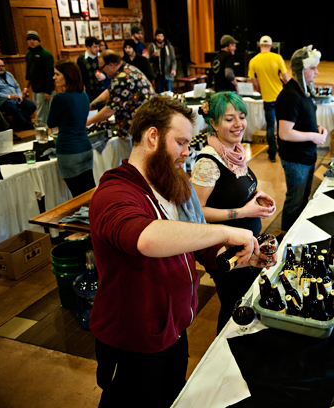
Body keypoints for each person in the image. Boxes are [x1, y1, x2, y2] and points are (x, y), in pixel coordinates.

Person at [89, 95, 270, 407]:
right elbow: (146, 238)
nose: (188, 152)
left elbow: (199, 248)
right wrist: (228, 228)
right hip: (135, 337)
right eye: (181, 142)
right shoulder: (114, 192)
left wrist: (243, 259)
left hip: (173, 327)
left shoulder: (172, 183)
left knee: (173, 395)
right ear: (153, 136)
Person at [191, 92, 276, 332]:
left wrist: (259, 195)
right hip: (226, 250)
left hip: (247, 243)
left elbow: (241, 186)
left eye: (241, 116)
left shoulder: (235, 151)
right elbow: (199, 214)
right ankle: (222, 356)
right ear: (214, 124)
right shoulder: (208, 163)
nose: (238, 124)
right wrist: (243, 211)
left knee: (245, 298)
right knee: (233, 305)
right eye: (229, 119)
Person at [276, 45, 328, 231]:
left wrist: (317, 128)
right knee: (295, 202)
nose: (317, 72)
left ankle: (296, 234)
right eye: (312, 68)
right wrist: (314, 135)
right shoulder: (290, 95)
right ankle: (285, 240)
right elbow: (285, 132)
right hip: (295, 159)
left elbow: (301, 121)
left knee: (302, 200)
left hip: (306, 155)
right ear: (300, 70)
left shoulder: (304, 90)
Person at [47, 60, 95, 197]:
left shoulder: (60, 98)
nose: (54, 77)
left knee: (79, 198)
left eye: (57, 74)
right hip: (85, 147)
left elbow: (50, 123)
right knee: (89, 194)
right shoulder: (83, 95)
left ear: (67, 75)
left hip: (69, 150)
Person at [86, 50, 154, 136]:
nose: (103, 71)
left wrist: (89, 121)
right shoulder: (128, 69)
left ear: (111, 65)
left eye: (102, 68)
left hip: (139, 128)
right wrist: (89, 107)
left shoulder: (121, 80)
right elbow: (109, 91)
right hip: (146, 122)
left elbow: (109, 111)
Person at [248, 35, 289, 162]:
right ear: (271, 46)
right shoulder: (277, 58)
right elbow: (286, 79)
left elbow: (254, 83)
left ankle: (272, 153)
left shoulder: (253, 61)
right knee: (283, 125)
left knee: (270, 126)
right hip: (280, 98)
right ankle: (284, 151)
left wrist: (263, 91)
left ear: (259, 45)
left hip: (267, 99)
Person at [25, 30, 54, 125]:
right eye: (29, 39)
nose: (31, 41)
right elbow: (29, 73)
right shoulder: (29, 55)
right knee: (39, 109)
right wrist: (26, 88)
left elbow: (50, 74)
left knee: (42, 113)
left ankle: (43, 133)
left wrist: (48, 91)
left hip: (44, 89)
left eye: (34, 39)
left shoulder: (46, 54)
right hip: (35, 89)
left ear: (38, 41)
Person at [0, 58, 36, 130]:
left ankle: (15, 124)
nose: (1, 68)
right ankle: (25, 124)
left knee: (31, 105)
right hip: (3, 101)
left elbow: (16, 86)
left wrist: (20, 95)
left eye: (2, 66)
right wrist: (8, 96)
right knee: (13, 108)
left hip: (16, 98)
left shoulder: (9, 74)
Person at [76, 36, 109, 103]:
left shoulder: (103, 57)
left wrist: (104, 76)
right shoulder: (81, 60)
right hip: (90, 92)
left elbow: (111, 72)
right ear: (88, 47)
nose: (97, 49)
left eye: (98, 46)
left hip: (104, 89)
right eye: (95, 47)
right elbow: (80, 76)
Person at [148, 28, 176, 93]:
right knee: (159, 94)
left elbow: (173, 60)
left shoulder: (169, 46)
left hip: (167, 74)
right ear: (155, 37)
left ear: (163, 37)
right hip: (157, 75)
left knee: (169, 94)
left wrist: (173, 69)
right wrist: (154, 55)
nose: (160, 38)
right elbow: (148, 59)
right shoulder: (152, 46)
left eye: (161, 36)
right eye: (158, 36)